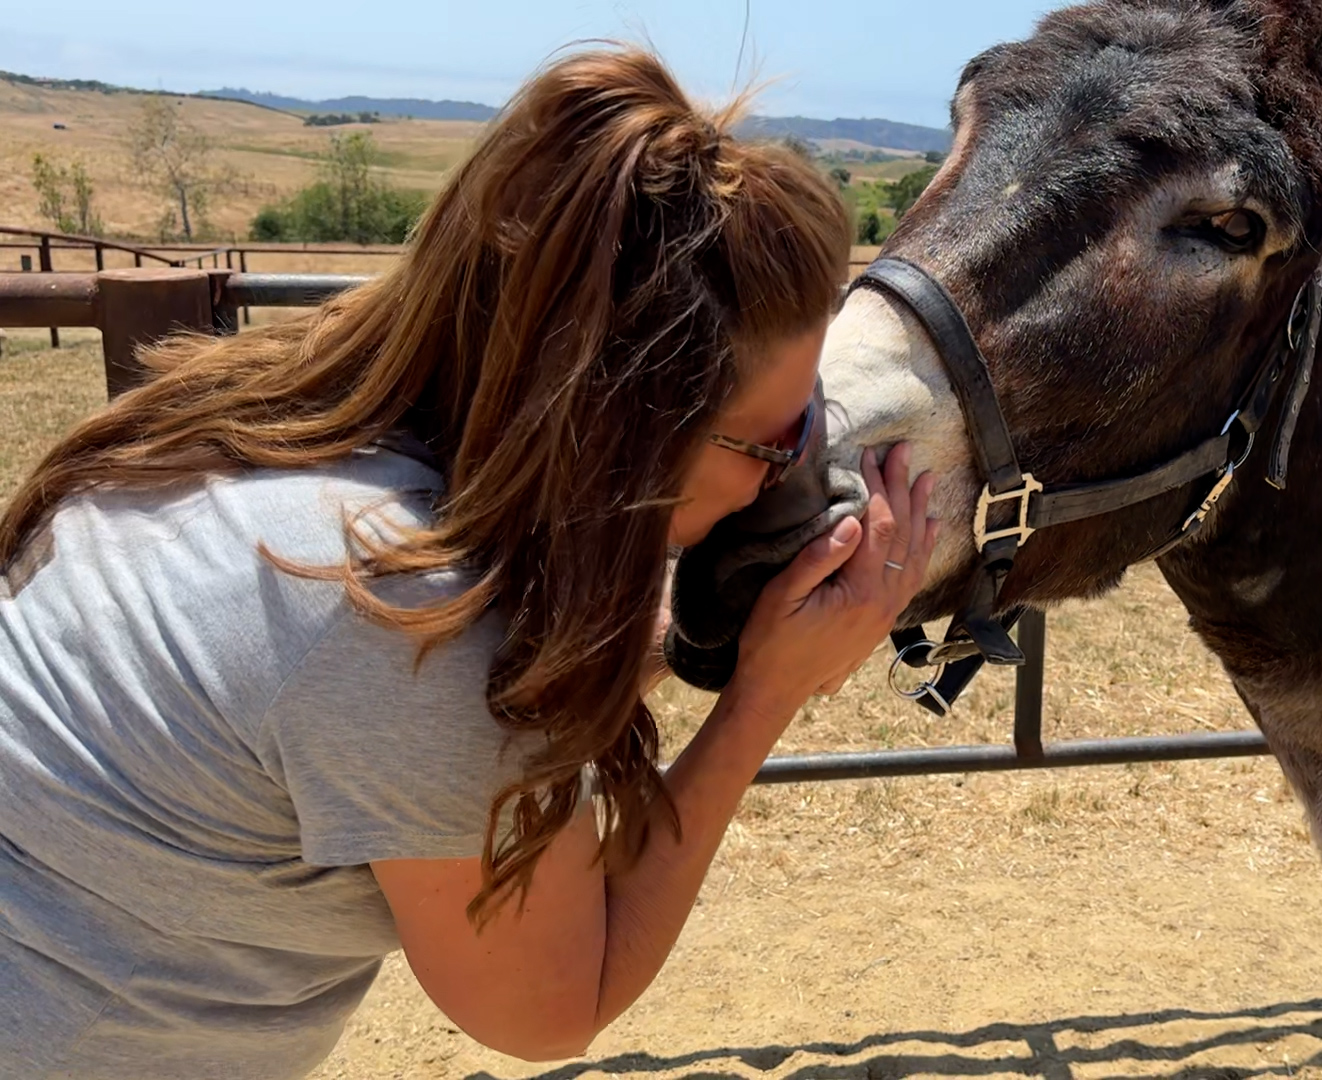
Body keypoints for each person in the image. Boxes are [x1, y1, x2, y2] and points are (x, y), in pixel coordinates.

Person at [0, 46, 937, 1079]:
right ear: (615, 429)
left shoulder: (278, 433)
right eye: (771, 440)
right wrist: (765, 695)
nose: (781, 477)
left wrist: (668, 636)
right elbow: (551, 1009)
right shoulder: (391, 607)